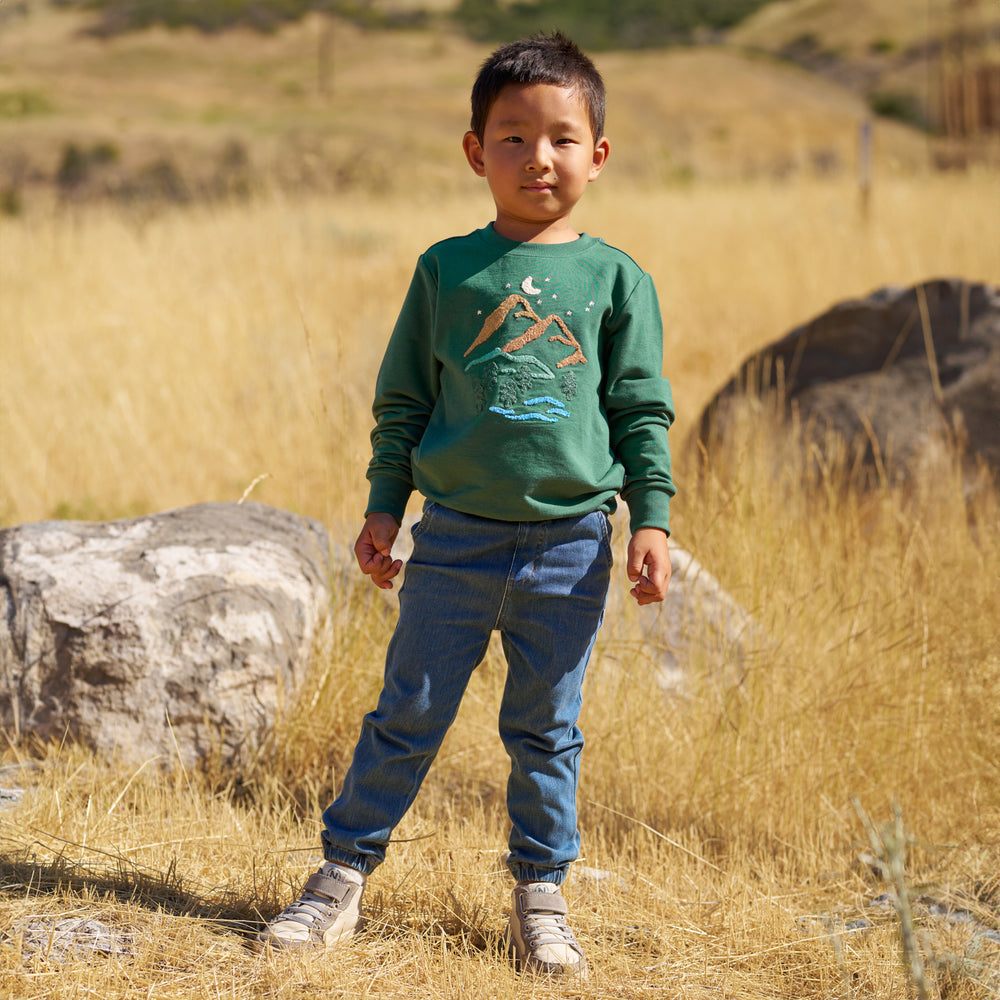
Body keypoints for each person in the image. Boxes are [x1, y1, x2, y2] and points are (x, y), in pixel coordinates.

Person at [256, 31, 676, 978]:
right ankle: (340, 878)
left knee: (546, 728)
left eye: (563, 138)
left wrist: (649, 515)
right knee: (407, 710)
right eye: (514, 136)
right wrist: (381, 506)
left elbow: (640, 411)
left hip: (571, 546)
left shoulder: (617, 281)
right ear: (474, 150)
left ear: (598, 156)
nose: (539, 157)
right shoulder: (448, 271)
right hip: (452, 542)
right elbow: (404, 401)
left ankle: (540, 893)